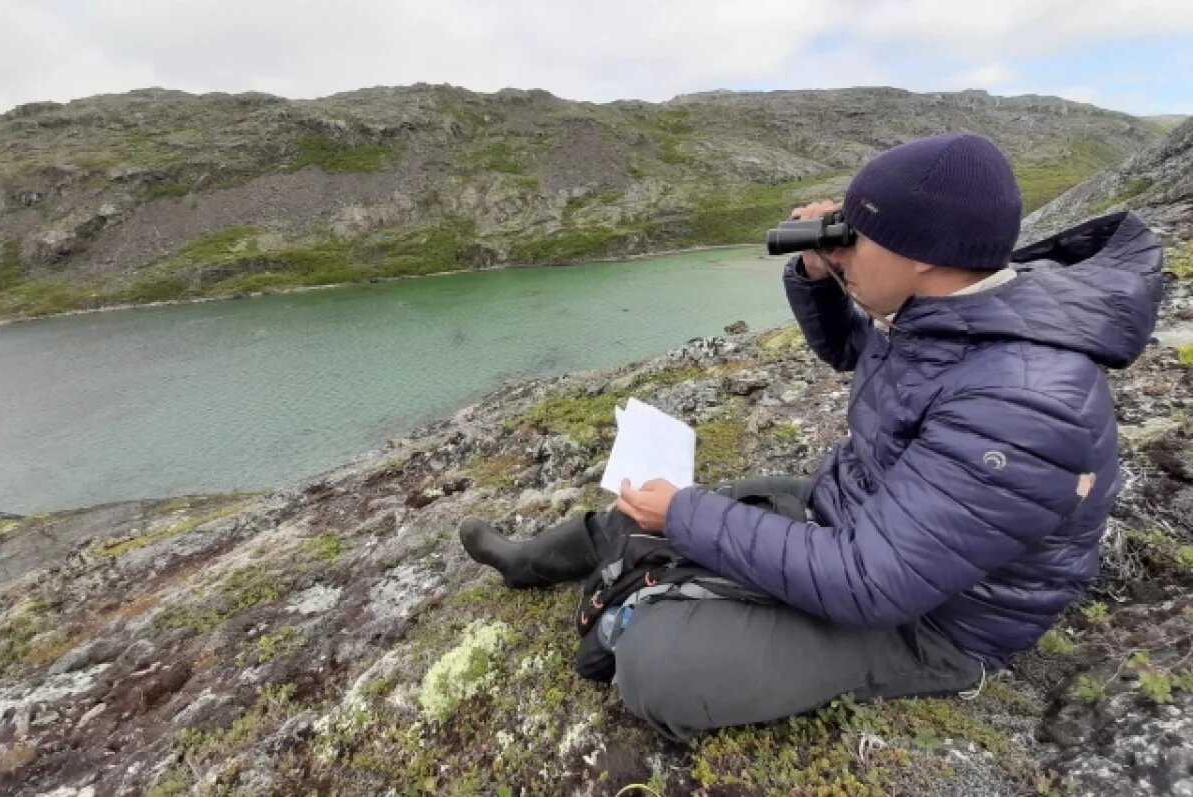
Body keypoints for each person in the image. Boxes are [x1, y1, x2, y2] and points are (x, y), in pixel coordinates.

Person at [459, 131, 1164, 742]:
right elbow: (853, 352)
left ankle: (657, 601)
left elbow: (872, 582)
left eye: (860, 235)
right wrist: (825, 276)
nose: (843, 245)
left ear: (924, 256)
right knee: (650, 505)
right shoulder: (956, 302)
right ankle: (528, 562)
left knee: (660, 669)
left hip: (935, 619)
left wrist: (688, 518)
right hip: (862, 516)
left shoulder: (1023, 403)